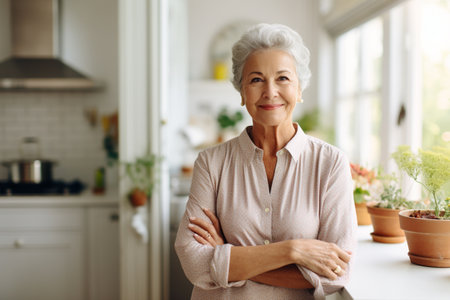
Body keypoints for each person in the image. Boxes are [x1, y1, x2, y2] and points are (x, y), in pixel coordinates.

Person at [175, 23, 357, 300]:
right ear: (241, 92)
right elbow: (195, 263)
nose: (270, 91)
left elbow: (335, 274)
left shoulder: (330, 164)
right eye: (256, 79)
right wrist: (292, 251)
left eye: (283, 78)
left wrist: (228, 258)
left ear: (299, 88)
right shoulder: (211, 162)